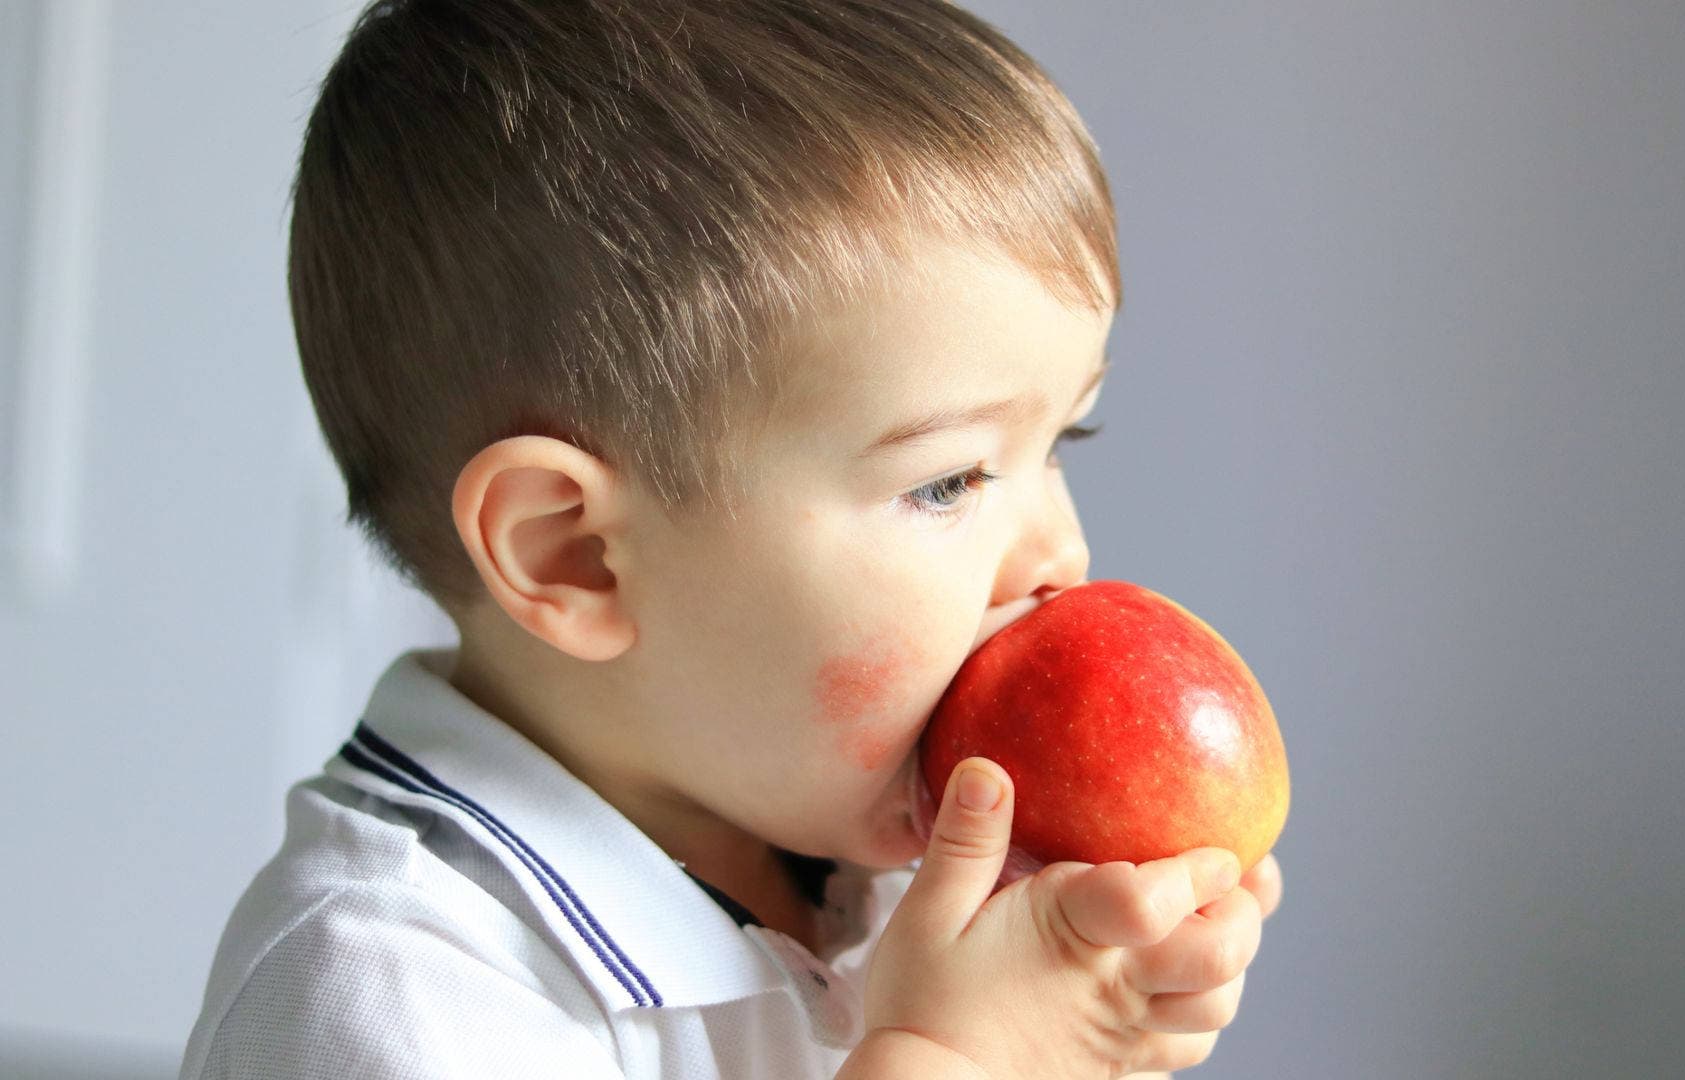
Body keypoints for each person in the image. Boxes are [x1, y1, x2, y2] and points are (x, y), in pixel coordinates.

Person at [180, 1, 1284, 1076]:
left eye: (1062, 439)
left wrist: (1088, 1042)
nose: (1061, 553)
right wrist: (948, 1059)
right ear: (578, 556)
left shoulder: (877, 858)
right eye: (948, 481)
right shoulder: (383, 994)